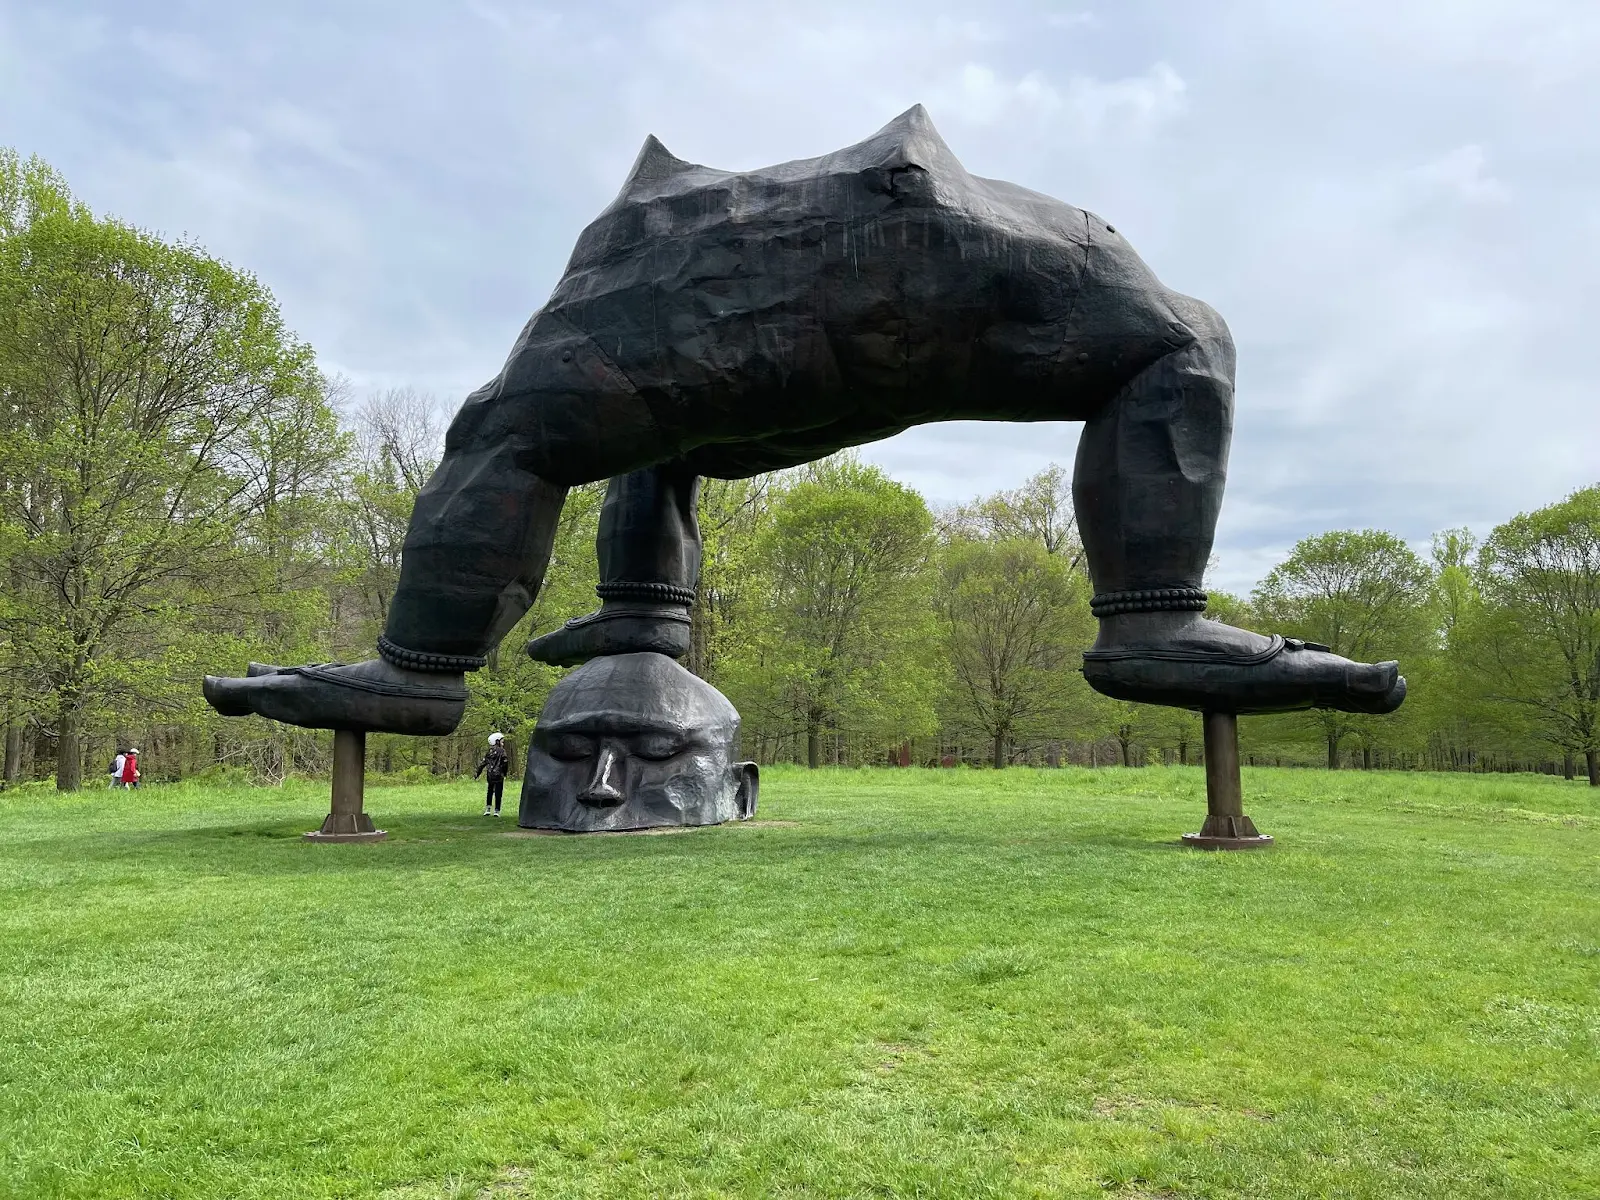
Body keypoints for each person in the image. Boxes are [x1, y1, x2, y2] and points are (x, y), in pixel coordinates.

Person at [203, 105, 1405, 735]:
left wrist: (421, 657)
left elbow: (504, 441)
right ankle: (640, 614)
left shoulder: (611, 285)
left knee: (525, 433)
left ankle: (422, 670)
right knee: (1180, 333)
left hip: (822, 263)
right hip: (885, 275)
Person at [475, 732, 511, 816]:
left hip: (490, 775)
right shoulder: (502, 751)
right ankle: (497, 810)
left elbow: (482, 764)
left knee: (490, 791)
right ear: (497, 741)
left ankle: (488, 809)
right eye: (502, 741)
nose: (503, 743)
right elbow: (505, 762)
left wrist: (477, 774)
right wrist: (504, 773)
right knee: (498, 792)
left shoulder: (489, 752)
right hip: (499, 775)